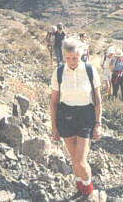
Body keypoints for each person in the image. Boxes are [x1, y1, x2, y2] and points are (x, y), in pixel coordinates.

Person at [50, 38, 102, 200]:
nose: (71, 61)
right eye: (68, 58)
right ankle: (80, 188)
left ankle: (89, 192)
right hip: (65, 116)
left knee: (80, 160)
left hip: (86, 116)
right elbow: (53, 102)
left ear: (81, 55)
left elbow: (98, 100)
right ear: (64, 56)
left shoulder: (90, 70)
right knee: (73, 158)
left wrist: (98, 123)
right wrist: (54, 127)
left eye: (75, 57)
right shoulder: (59, 72)